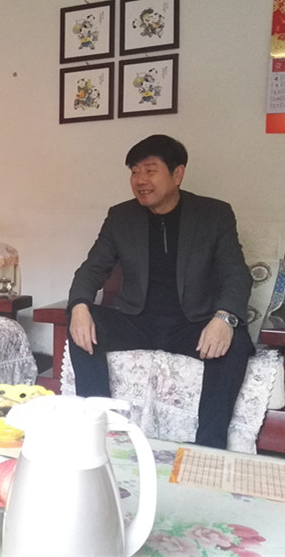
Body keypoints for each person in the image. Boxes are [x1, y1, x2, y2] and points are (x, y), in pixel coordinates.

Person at [67, 134, 254, 449]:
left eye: (150, 170)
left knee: (235, 341)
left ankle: (209, 447)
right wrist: (79, 305)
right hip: (136, 321)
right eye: (134, 172)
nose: (140, 180)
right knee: (82, 321)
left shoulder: (214, 215)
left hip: (192, 324)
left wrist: (224, 317)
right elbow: (92, 269)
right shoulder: (121, 216)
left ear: (177, 174)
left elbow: (236, 273)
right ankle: (97, 431)